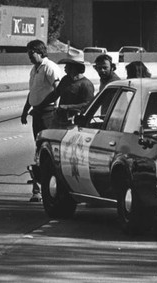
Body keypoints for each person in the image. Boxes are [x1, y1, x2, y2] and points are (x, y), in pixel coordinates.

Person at [21, 39, 63, 202]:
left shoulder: (50, 67)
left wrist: (55, 110)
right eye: (28, 53)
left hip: (48, 113)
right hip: (36, 114)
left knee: (46, 149)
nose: (29, 56)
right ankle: (38, 188)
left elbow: (58, 89)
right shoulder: (34, 69)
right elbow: (33, 92)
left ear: (40, 52)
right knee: (38, 148)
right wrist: (25, 111)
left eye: (31, 53)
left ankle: (44, 188)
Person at [39, 48, 95, 128]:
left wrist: (68, 106)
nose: (65, 68)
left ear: (75, 67)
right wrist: (40, 105)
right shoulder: (65, 79)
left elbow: (88, 104)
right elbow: (55, 94)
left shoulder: (86, 84)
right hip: (59, 119)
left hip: (74, 123)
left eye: (68, 65)